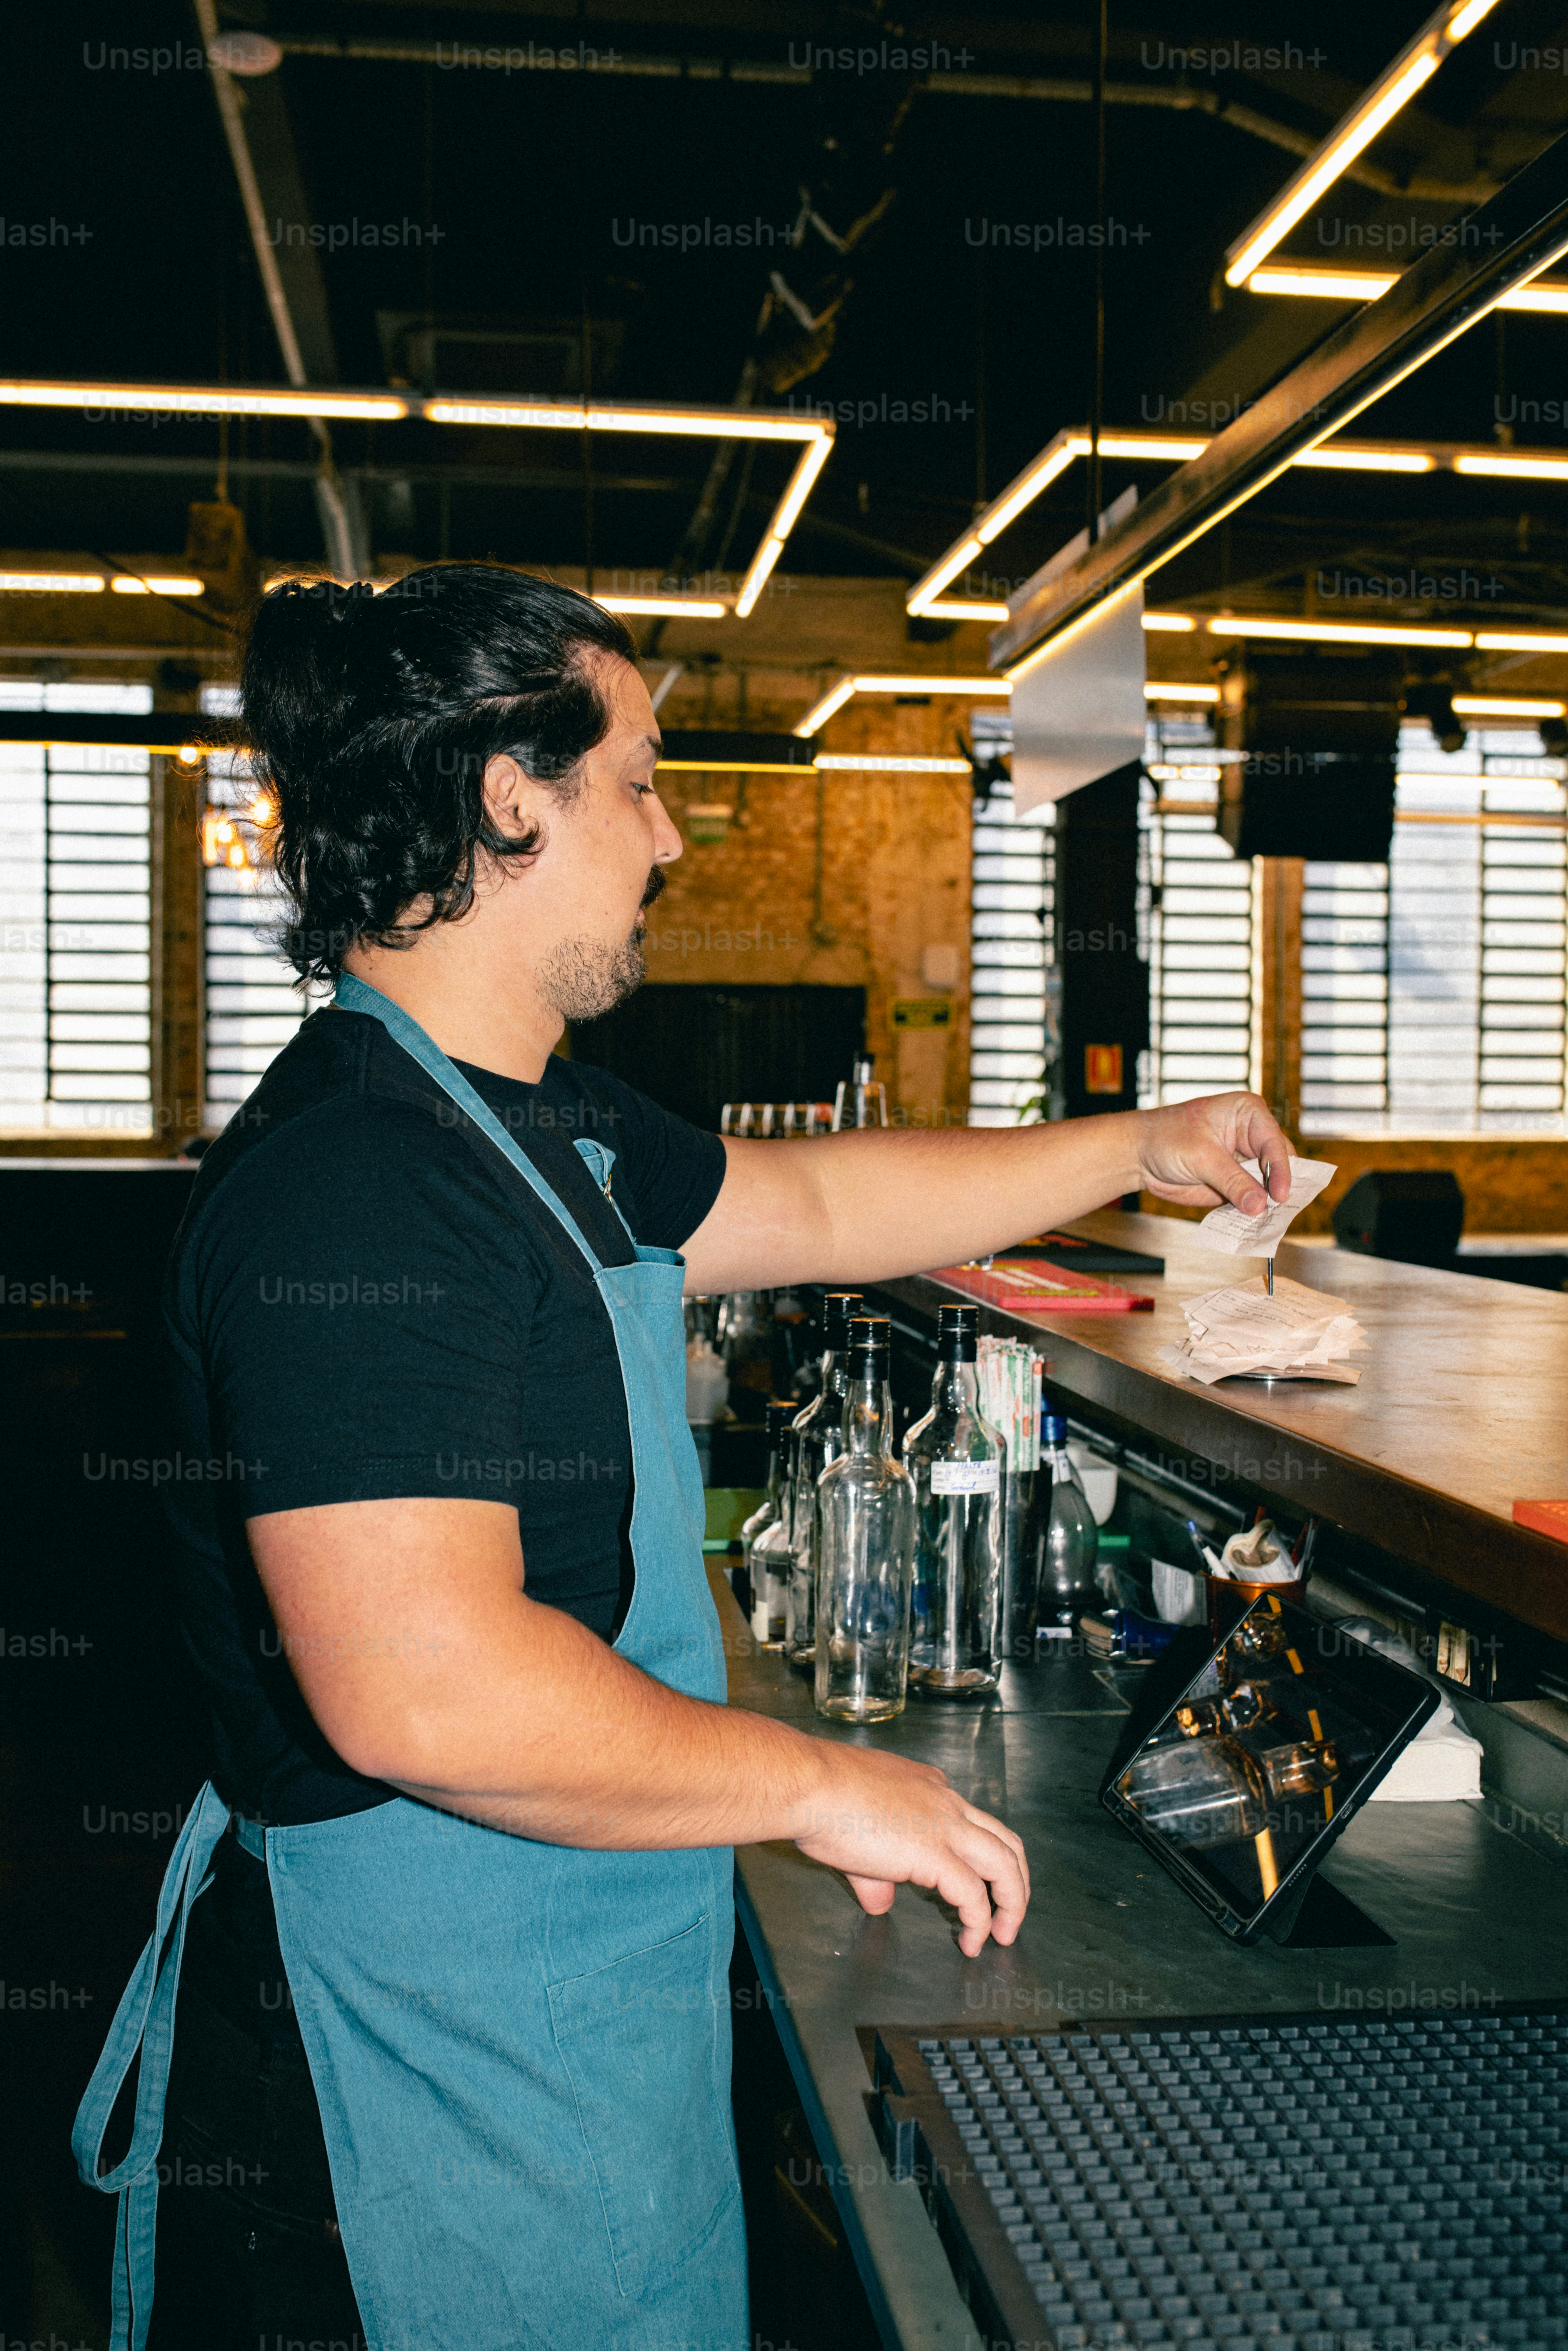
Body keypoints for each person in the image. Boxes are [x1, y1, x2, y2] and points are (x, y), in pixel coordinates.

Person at [73, 564, 1292, 2351]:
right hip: (404, 2049)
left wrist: (1143, 1143)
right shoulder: (362, 1179)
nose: (667, 840)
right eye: (637, 782)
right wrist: (813, 1780)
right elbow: (423, 1693)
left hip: (557, 1983)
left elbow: (804, 1200)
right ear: (511, 799)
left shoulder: (532, 1118)